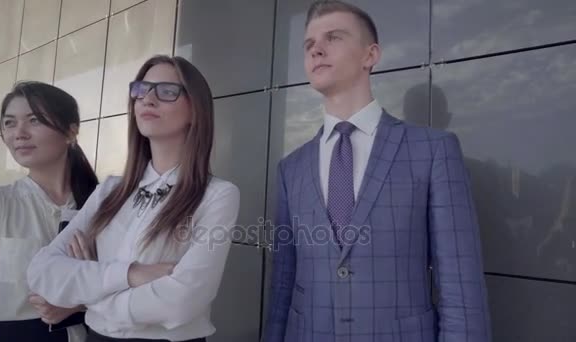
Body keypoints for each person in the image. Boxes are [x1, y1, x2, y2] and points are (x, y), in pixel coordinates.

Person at [264, 1, 491, 341]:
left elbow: (460, 285)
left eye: (333, 37)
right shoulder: (291, 169)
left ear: (370, 55)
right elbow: (284, 284)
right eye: (309, 44)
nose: (317, 50)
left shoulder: (433, 151)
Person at [27, 55, 240, 342]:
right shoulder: (110, 190)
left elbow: (183, 300)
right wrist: (130, 274)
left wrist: (88, 296)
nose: (147, 99)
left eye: (166, 91)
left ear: (195, 109)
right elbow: (42, 271)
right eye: (141, 89)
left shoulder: (217, 196)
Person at [0, 81, 98, 342]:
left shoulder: (102, 205)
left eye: (34, 120)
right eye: (9, 123)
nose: (19, 133)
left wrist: (80, 305)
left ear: (71, 131)